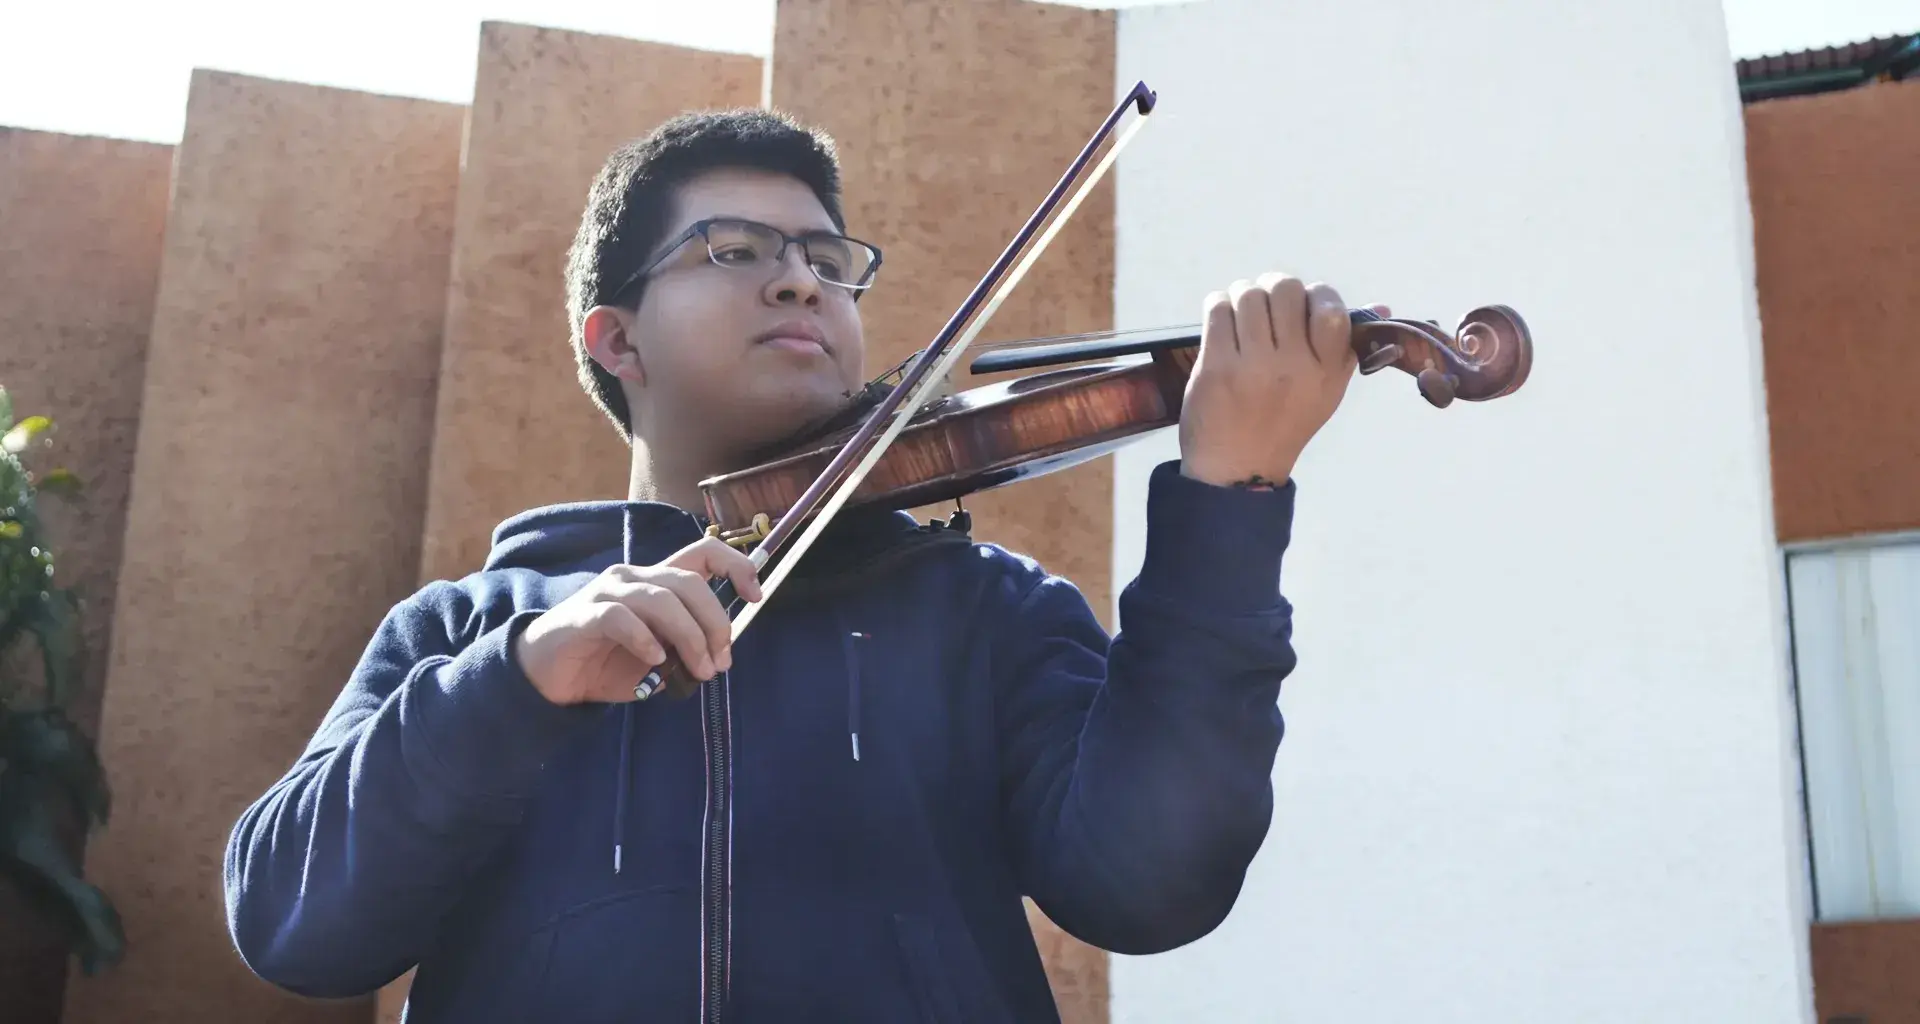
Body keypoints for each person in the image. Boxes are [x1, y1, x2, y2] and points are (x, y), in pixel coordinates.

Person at [223, 107, 1373, 1022]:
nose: (800, 281)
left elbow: (1152, 881)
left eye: (829, 260)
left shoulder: (987, 613)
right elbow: (293, 924)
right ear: (615, 338)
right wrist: (520, 677)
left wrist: (1231, 503)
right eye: (735, 251)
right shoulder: (469, 629)